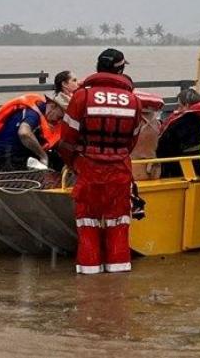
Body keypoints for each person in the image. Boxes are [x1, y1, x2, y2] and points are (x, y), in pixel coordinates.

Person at [59, 48, 142, 275]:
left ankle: (89, 287)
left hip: (88, 169)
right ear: (121, 69)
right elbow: (132, 141)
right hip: (119, 171)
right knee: (118, 228)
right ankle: (117, 289)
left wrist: (74, 163)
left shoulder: (82, 97)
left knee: (88, 227)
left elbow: (66, 140)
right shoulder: (134, 101)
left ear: (97, 67)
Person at [0, 91, 68, 170]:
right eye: (59, 117)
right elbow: (24, 133)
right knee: (47, 163)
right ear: (52, 107)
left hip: (17, 152)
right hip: (5, 157)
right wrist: (43, 156)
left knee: (58, 160)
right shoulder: (33, 113)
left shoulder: (43, 111)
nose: (58, 121)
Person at [157, 88, 200, 178]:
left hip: (179, 172)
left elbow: (162, 148)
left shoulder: (177, 123)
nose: (177, 110)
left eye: (179, 106)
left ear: (187, 106)